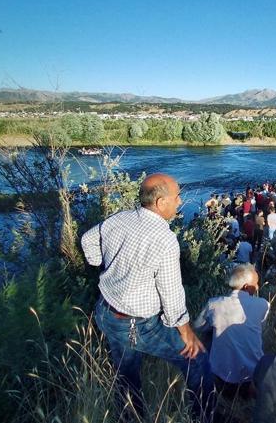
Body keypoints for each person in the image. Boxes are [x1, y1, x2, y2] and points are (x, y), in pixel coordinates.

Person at [81, 173, 213, 419]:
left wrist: (102, 263)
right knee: (198, 361)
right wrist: (187, 334)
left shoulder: (120, 218)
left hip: (107, 312)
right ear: (161, 202)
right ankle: (204, 417)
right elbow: (172, 295)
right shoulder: (165, 239)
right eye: (177, 197)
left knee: (127, 376)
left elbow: (87, 240)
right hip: (138, 325)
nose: (180, 201)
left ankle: (132, 417)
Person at [195, 263, 269, 400]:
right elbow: (261, 329)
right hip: (252, 376)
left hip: (221, 376)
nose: (258, 287)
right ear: (246, 287)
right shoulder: (263, 305)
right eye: (256, 283)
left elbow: (198, 326)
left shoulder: (214, 303)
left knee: (210, 331)